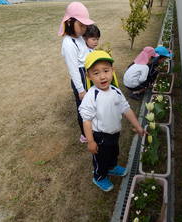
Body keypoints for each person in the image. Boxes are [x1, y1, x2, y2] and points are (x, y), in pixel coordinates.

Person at [79, 50, 145, 192]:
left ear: (112, 71)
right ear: (89, 76)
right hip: (100, 136)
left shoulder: (115, 91)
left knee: (114, 152)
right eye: (96, 73)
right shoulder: (91, 96)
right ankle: (99, 176)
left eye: (106, 71)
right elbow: (87, 121)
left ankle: (112, 166)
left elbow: (126, 109)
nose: (102, 76)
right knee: (101, 158)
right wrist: (90, 141)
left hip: (114, 132)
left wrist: (138, 126)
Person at [58, 2, 94, 143]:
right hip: (80, 77)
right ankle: (85, 135)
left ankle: (91, 127)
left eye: (85, 26)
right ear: (69, 22)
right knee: (82, 107)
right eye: (81, 25)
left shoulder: (78, 38)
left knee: (90, 104)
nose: (84, 29)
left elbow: (85, 53)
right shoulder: (68, 43)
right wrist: (80, 89)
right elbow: (73, 68)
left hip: (86, 73)